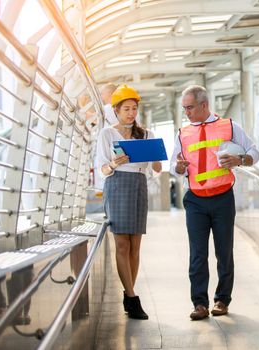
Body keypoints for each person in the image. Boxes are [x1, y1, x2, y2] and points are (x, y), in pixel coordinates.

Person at [170, 85, 259, 320]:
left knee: (224, 251)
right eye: (184, 108)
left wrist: (239, 159)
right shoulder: (182, 133)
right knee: (197, 254)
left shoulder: (229, 126)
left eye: (190, 107)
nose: (186, 112)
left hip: (222, 199)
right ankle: (200, 304)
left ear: (204, 105)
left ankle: (222, 300)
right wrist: (178, 168)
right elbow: (174, 167)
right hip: (195, 201)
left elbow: (254, 152)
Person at [96, 84, 162, 319]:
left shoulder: (146, 134)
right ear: (116, 110)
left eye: (134, 108)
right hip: (117, 185)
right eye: (126, 109)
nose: (131, 113)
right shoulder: (107, 134)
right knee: (122, 245)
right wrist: (115, 163)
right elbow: (101, 169)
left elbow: (156, 168)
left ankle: (128, 293)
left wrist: (155, 156)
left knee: (135, 247)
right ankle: (133, 298)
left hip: (138, 186)